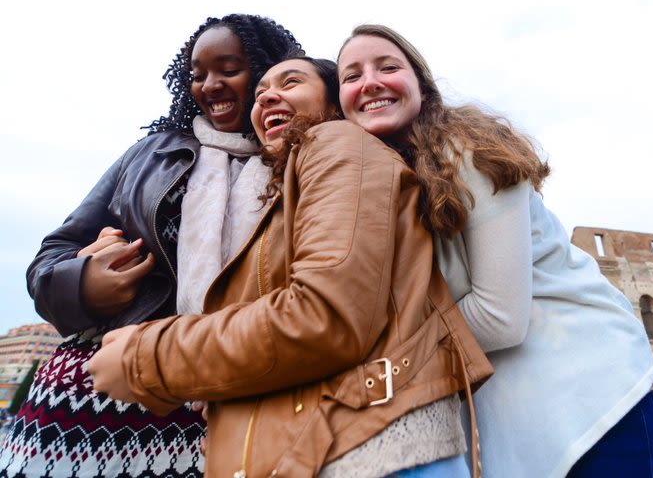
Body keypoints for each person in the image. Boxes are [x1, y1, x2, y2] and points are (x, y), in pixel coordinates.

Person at [85, 51, 492, 478]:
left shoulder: (335, 141)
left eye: (290, 83)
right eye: (261, 94)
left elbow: (324, 316)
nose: (267, 99)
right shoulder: (292, 188)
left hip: (374, 453)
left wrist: (147, 358)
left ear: (335, 104)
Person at [336, 25, 653, 477]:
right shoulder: (378, 187)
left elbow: (499, 317)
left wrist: (377, 364)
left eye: (388, 67)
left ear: (421, 84)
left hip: (589, 396)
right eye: (351, 75)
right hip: (517, 415)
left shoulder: (468, 150)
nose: (370, 82)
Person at [0, 14, 302, 478]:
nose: (210, 85)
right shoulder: (151, 153)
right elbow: (49, 257)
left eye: (228, 69)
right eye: (197, 74)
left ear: (266, 71)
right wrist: (83, 283)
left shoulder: (306, 162)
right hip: (96, 396)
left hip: (229, 405)